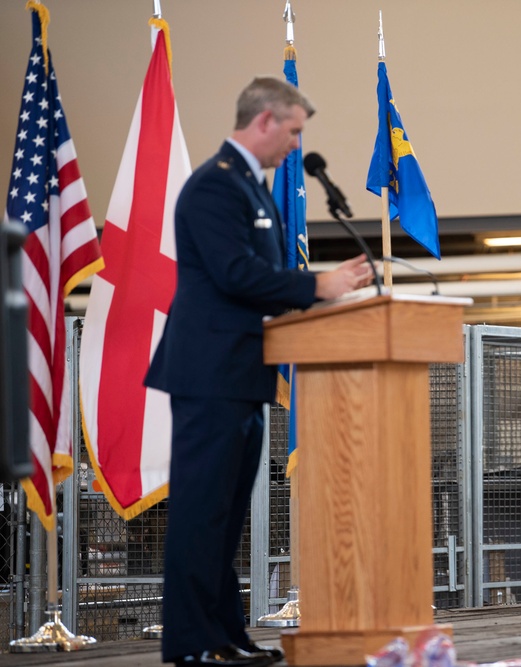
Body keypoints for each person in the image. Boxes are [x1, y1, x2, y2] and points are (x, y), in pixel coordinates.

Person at [145, 77, 374, 667]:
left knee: (224, 516)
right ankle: (192, 643)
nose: (298, 146)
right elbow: (234, 274)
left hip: (241, 372)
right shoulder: (214, 186)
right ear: (265, 120)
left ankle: (224, 637)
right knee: (202, 512)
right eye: (294, 131)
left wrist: (325, 293)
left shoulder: (249, 185)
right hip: (209, 372)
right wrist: (318, 285)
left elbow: (258, 278)